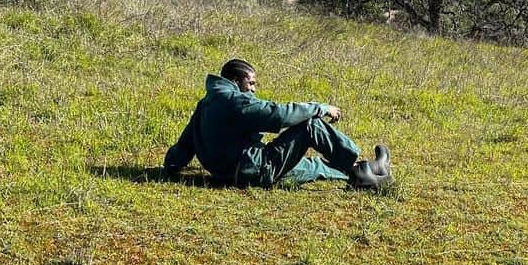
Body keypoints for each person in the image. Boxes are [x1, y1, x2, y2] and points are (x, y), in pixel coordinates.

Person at [164, 58, 392, 191]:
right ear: (235, 81)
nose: (253, 89)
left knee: (314, 167)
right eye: (250, 83)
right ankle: (356, 160)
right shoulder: (235, 101)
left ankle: (362, 175)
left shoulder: (207, 102)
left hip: (233, 173)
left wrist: (171, 166)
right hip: (252, 169)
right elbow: (279, 115)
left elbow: (185, 143)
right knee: (310, 125)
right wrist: (321, 108)